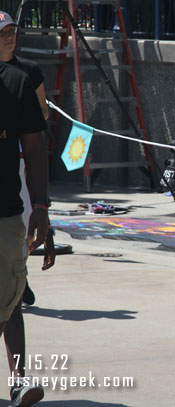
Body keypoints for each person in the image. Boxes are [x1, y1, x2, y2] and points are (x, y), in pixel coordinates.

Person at [0, 10, 50, 407]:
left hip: (5, 212)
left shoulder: (19, 80)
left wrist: (42, 207)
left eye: (12, 31)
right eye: (2, 33)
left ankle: (19, 381)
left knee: (11, 298)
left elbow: (35, 146)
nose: (8, 38)